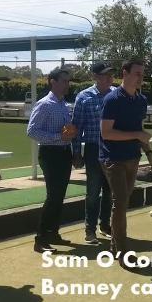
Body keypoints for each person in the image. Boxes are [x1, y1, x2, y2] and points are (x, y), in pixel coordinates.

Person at [99, 59, 152, 268]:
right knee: (120, 203)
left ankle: (115, 246)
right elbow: (106, 133)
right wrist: (136, 134)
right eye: (137, 73)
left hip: (133, 158)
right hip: (112, 159)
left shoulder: (141, 100)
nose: (141, 78)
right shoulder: (112, 99)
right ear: (125, 73)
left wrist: (150, 154)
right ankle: (123, 252)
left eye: (143, 74)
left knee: (123, 203)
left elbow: (139, 129)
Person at [27, 68, 77, 253]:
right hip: (50, 154)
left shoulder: (64, 104)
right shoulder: (44, 104)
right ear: (52, 82)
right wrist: (59, 137)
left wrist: (69, 139)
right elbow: (32, 131)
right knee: (53, 196)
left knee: (59, 196)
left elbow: (66, 132)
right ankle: (40, 239)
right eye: (64, 81)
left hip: (64, 153)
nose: (67, 84)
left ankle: (53, 233)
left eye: (68, 81)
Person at [71, 62, 115, 245]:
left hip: (113, 149)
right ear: (95, 77)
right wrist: (76, 153)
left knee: (109, 190)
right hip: (92, 149)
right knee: (93, 191)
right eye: (105, 75)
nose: (109, 78)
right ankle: (90, 230)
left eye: (110, 75)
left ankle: (105, 226)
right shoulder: (84, 96)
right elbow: (76, 126)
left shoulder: (116, 94)